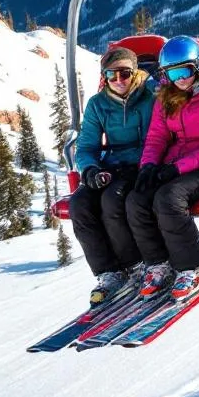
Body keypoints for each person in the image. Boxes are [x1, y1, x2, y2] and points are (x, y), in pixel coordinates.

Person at [127, 36, 199, 301]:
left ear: (198, 66)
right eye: (171, 73)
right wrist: (149, 166)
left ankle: (195, 264)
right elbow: (157, 137)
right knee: (137, 199)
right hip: (176, 165)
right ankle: (158, 264)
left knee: (169, 198)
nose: (180, 79)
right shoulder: (166, 97)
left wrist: (177, 169)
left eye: (185, 70)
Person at [71, 46, 156, 305]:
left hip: (141, 163)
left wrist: (147, 163)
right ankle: (108, 272)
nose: (119, 81)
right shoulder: (98, 104)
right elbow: (86, 146)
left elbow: (157, 138)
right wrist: (90, 169)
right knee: (80, 204)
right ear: (104, 77)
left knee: (112, 201)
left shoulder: (148, 99)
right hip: (111, 165)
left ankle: (135, 265)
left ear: (135, 73)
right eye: (111, 75)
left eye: (125, 73)